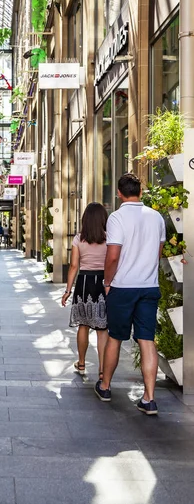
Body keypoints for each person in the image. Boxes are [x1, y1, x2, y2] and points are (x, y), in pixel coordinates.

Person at [95, 173, 165, 415]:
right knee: (147, 340)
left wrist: (107, 281)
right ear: (141, 192)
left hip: (123, 287)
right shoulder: (156, 217)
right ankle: (149, 398)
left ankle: (105, 386)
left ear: (119, 193)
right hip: (149, 286)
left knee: (115, 336)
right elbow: (158, 252)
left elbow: (113, 255)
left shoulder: (117, 217)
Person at [62, 203, 109, 381]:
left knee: (83, 325)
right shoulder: (109, 238)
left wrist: (68, 290)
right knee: (102, 329)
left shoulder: (79, 239)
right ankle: (103, 370)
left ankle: (81, 364)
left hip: (84, 283)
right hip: (104, 283)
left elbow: (74, 266)